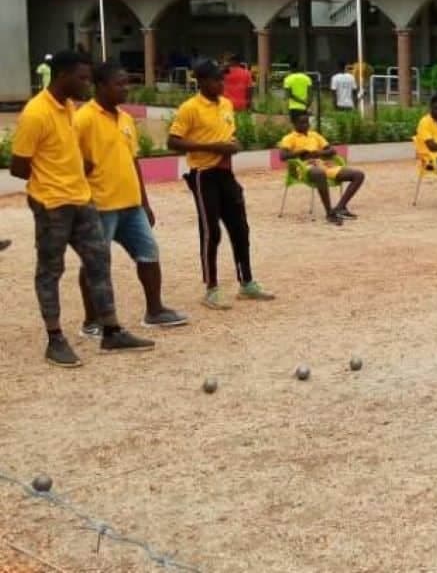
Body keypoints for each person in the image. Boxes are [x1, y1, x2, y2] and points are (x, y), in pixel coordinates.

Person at [9, 51, 154, 367]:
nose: (88, 85)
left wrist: (76, 166)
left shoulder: (69, 108)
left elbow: (66, 148)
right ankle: (55, 339)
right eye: (83, 78)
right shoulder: (36, 113)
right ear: (63, 77)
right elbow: (18, 166)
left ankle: (111, 330)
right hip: (51, 204)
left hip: (82, 199)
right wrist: (54, 176)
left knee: (98, 262)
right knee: (50, 271)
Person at [75, 61, 189, 336]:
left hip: (131, 205)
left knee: (148, 253)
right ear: (100, 86)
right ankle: (92, 321)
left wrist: (145, 202)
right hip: (98, 206)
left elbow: (132, 161)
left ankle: (155, 310)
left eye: (128, 83)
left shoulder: (126, 120)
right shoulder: (83, 119)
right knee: (95, 262)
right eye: (120, 84)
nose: (126, 89)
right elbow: (71, 161)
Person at [168, 59, 275, 309]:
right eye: (216, 80)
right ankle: (211, 288)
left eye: (222, 79)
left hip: (226, 173)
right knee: (211, 232)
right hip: (204, 174)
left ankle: (246, 282)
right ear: (202, 81)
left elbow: (228, 134)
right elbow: (173, 142)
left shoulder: (226, 104)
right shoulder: (189, 108)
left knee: (240, 228)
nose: (221, 84)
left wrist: (233, 145)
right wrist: (212, 147)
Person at [278, 113, 366, 224]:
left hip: (322, 164)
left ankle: (340, 207)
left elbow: (332, 151)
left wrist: (318, 153)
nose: (306, 125)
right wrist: (301, 152)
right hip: (303, 167)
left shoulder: (315, 135)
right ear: (294, 124)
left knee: (358, 175)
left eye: (307, 122)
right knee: (319, 173)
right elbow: (282, 156)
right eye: (302, 123)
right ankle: (329, 213)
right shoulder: (289, 138)